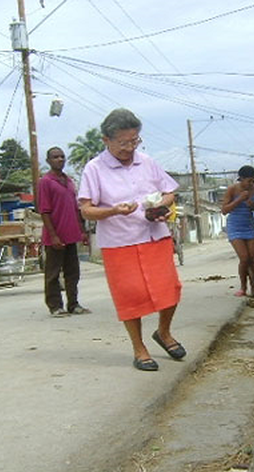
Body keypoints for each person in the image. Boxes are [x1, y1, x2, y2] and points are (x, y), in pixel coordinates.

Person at [78, 108, 185, 372]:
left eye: (134, 141)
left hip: (154, 236)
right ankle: (139, 349)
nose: (129, 148)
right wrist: (114, 210)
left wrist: (160, 205)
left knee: (170, 290)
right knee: (130, 298)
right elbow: (86, 209)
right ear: (106, 140)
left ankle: (163, 332)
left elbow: (169, 191)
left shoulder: (146, 161)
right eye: (123, 143)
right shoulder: (94, 169)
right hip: (119, 242)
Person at [38, 146, 91, 318]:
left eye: (62, 157)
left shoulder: (69, 181)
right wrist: (53, 235)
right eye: (55, 157)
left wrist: (81, 231)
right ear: (48, 161)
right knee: (53, 273)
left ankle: (73, 304)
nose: (59, 159)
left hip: (71, 235)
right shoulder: (46, 182)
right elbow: (44, 211)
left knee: (72, 272)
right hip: (55, 236)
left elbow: (76, 209)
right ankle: (55, 306)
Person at [221, 165, 254, 297]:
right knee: (244, 258)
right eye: (249, 181)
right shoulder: (232, 189)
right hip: (235, 226)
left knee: (252, 258)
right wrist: (239, 199)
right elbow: (224, 210)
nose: (251, 184)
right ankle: (243, 287)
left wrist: (252, 205)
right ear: (241, 179)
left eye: (253, 181)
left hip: (249, 225)